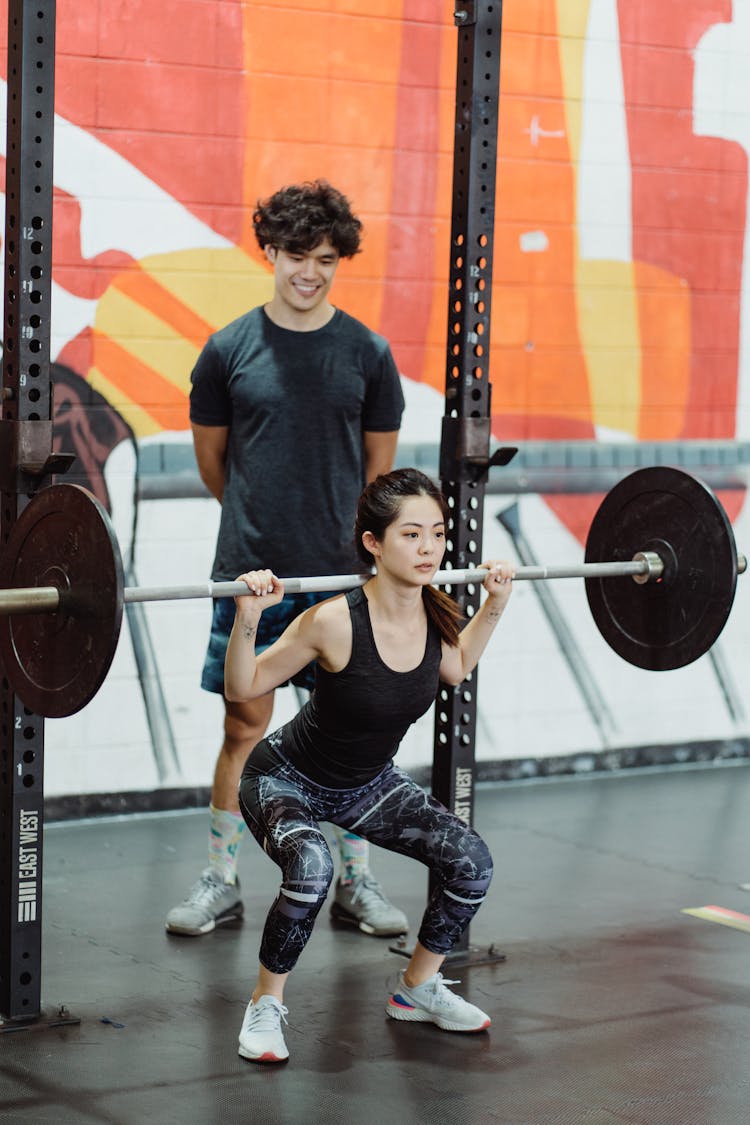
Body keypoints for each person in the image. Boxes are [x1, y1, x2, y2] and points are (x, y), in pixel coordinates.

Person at [166, 180, 408, 939]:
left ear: (342, 261)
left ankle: (357, 885)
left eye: (326, 259)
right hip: (251, 577)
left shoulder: (368, 355)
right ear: (268, 251)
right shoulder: (227, 351)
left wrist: (353, 556)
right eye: (296, 255)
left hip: (342, 582)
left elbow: (379, 479)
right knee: (244, 728)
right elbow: (217, 466)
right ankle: (221, 880)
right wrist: (258, 526)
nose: (310, 272)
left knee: (352, 738)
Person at [226, 468, 515, 1064]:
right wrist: (249, 613)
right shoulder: (332, 621)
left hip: (367, 784)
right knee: (310, 868)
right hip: (285, 780)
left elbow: (455, 669)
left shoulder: (438, 614)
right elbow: (243, 685)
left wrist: (495, 605)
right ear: (373, 543)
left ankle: (416, 990)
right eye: (411, 535)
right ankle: (264, 1003)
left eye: (437, 533)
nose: (430, 548)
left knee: (471, 862)